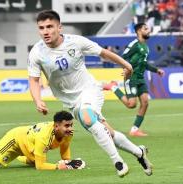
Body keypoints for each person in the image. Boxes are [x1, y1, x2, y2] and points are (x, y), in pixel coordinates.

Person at [27, 10, 153, 177]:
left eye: (50, 27)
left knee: (87, 116)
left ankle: (118, 162)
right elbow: (34, 80)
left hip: (90, 90)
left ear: (59, 27)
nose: (45, 31)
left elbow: (104, 53)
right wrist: (37, 100)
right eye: (41, 28)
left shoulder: (76, 42)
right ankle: (139, 153)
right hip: (71, 102)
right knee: (108, 132)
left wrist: (127, 65)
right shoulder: (37, 52)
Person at [0, 111, 85, 170]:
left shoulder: (68, 134)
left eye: (71, 125)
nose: (70, 129)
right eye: (66, 126)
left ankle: (25, 157)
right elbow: (40, 167)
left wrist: (68, 162)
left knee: (37, 161)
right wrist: (58, 167)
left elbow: (65, 149)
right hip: (16, 139)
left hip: (30, 144)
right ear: (56, 126)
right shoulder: (44, 137)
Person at [103, 23, 164, 137]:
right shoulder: (134, 44)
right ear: (139, 31)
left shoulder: (145, 47)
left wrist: (156, 70)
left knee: (145, 102)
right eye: (146, 29)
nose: (148, 30)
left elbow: (144, 63)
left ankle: (134, 130)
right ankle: (113, 87)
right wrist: (126, 68)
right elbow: (122, 58)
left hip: (140, 78)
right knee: (131, 105)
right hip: (131, 78)